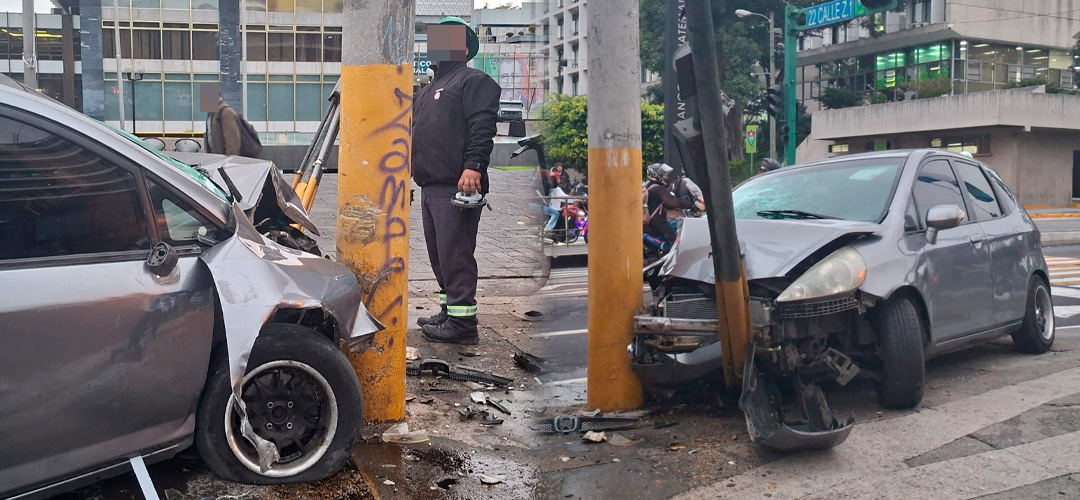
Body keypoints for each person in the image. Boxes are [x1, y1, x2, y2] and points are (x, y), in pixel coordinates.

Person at [412, 16, 502, 345]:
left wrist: (474, 165)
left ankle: (464, 325)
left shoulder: (473, 81)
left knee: (456, 253)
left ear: (464, 48)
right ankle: (449, 313)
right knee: (439, 254)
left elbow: (482, 125)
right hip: (431, 185)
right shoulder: (428, 91)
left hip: (458, 184)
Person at [643, 164, 693, 248]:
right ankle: (674, 260)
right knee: (674, 243)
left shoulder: (649, 187)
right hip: (658, 221)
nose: (666, 177)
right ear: (656, 175)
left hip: (650, 221)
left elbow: (663, 203)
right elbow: (673, 201)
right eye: (664, 175)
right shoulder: (658, 189)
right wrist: (691, 205)